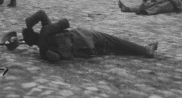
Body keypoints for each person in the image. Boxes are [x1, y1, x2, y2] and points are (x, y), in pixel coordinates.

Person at [21, 10, 159, 63]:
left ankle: (141, 51)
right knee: (115, 42)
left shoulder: (42, 51)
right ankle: (145, 50)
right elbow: (64, 22)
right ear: (34, 32)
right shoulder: (46, 31)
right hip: (86, 37)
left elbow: (55, 57)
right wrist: (29, 23)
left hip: (85, 52)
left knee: (113, 49)